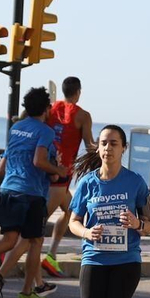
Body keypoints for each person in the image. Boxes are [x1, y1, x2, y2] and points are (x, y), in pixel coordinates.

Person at [68, 126, 150, 298]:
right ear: (98, 147)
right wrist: (86, 232)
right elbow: (73, 222)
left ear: (123, 149)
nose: (108, 148)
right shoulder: (87, 184)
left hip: (126, 261)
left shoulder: (135, 182)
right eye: (104, 143)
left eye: (114, 144)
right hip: (94, 258)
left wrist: (137, 222)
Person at [0, 88, 67, 298]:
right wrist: (59, 170)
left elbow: (1, 168)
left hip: (9, 189)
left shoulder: (17, 128)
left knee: (10, 239)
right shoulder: (45, 132)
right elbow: (39, 161)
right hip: (31, 194)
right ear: (47, 109)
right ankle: (25, 291)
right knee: (35, 240)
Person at [41, 77, 96, 279]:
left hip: (47, 169)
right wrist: (102, 147)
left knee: (70, 211)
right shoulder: (83, 116)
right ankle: (8, 253)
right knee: (37, 222)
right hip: (62, 174)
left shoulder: (51, 109)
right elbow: (90, 145)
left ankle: (51, 255)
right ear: (79, 91)